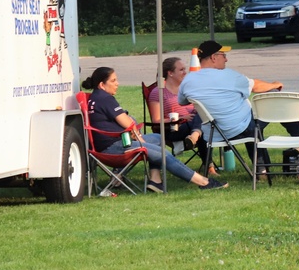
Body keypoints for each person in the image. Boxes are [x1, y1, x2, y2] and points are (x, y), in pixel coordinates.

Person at [82, 67, 227, 194]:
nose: (117, 83)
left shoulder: (95, 97)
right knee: (163, 154)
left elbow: (126, 121)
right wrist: (141, 140)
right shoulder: (105, 99)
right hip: (116, 147)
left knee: (158, 138)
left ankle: (155, 180)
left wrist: (134, 131)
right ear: (102, 84)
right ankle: (203, 182)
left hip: (111, 144)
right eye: (113, 81)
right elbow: (128, 124)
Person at [177, 41, 285, 174]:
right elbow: (255, 86)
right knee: (273, 98)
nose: (226, 59)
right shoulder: (230, 75)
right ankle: (298, 143)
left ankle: (263, 169)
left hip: (212, 133)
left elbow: (182, 101)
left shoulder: (188, 80)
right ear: (213, 57)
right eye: (223, 55)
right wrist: (274, 84)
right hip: (241, 128)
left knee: (252, 123)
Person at [148, 56, 213, 174]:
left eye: (185, 69)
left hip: (193, 125)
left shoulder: (187, 89)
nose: (185, 72)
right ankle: (209, 167)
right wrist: (181, 118)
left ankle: (195, 135)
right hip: (174, 129)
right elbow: (156, 120)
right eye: (181, 70)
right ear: (170, 73)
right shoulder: (158, 92)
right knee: (203, 124)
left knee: (203, 116)